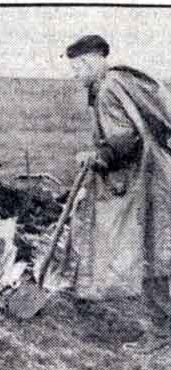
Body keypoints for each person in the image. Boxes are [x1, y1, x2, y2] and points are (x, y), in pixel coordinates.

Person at [64, 34, 171, 353]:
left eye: (78, 66)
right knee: (156, 250)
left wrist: (97, 156)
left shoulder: (109, 87)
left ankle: (161, 331)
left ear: (92, 61)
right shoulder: (123, 81)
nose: (76, 74)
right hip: (155, 175)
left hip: (145, 181)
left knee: (149, 253)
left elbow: (124, 139)